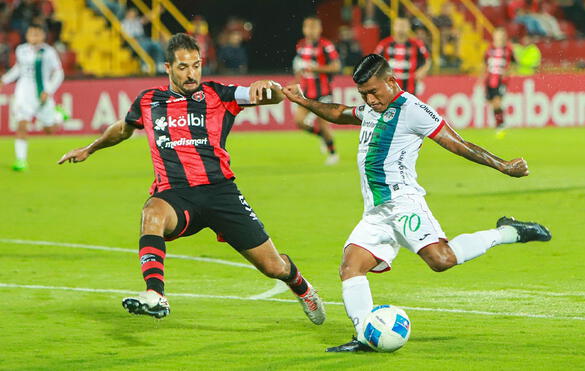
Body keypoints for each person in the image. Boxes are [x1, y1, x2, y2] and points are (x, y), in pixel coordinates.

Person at [281, 54, 551, 352]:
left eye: (373, 91)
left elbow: (457, 143)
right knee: (351, 266)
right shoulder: (373, 108)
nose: (369, 99)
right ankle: (364, 337)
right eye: (363, 94)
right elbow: (340, 113)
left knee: (441, 260)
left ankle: (507, 232)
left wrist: (502, 165)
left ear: (391, 82)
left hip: (402, 203)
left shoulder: (412, 109)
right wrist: (303, 101)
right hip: (376, 211)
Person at [57, 33, 326, 325]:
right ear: (168, 67)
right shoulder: (148, 101)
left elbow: (267, 95)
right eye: (183, 67)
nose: (191, 73)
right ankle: (155, 295)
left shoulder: (217, 94)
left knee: (273, 267)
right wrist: (89, 148)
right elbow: (122, 129)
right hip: (176, 195)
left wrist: (270, 87)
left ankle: (302, 287)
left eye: (196, 65)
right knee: (151, 213)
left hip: (220, 192)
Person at [0, 23, 64, 171]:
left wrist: (49, 90)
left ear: (43, 35)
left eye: (37, 34)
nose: (34, 36)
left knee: (49, 130)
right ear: (27, 35)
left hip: (42, 93)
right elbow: (18, 69)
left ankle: (59, 116)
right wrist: (5, 79)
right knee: (22, 124)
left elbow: (59, 73)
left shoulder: (49, 52)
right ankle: (21, 161)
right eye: (31, 34)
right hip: (24, 92)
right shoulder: (21, 50)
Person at [293, 16, 341, 165]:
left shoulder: (326, 45)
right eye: (308, 27)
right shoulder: (300, 46)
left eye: (314, 27)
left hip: (323, 93)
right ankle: (322, 137)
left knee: (323, 124)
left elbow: (336, 66)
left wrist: (316, 68)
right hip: (306, 93)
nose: (311, 31)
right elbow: (300, 69)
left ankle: (333, 153)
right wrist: (295, 82)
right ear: (304, 29)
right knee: (299, 122)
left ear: (319, 29)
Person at [374, 17, 430, 96]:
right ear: (394, 27)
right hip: (389, 86)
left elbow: (427, 60)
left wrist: (422, 71)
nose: (401, 28)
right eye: (399, 25)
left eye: (404, 25)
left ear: (408, 27)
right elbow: (374, 62)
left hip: (410, 86)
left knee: (409, 107)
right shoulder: (384, 44)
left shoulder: (417, 44)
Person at [480, 27, 515, 130]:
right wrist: (481, 78)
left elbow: (514, 63)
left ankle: (501, 124)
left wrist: (508, 73)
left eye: (501, 34)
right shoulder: (489, 48)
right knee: (492, 103)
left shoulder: (508, 49)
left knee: (497, 101)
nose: (499, 36)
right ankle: (499, 123)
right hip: (490, 80)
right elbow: (485, 63)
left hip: (501, 80)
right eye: (497, 34)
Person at [121, 7, 165, 72]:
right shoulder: (124, 23)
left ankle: (160, 64)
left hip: (143, 39)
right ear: (127, 14)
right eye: (131, 13)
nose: (133, 14)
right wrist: (134, 41)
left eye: (134, 13)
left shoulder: (137, 21)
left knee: (157, 43)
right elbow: (125, 36)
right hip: (133, 41)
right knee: (143, 45)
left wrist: (157, 11)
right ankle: (145, 65)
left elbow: (147, 17)